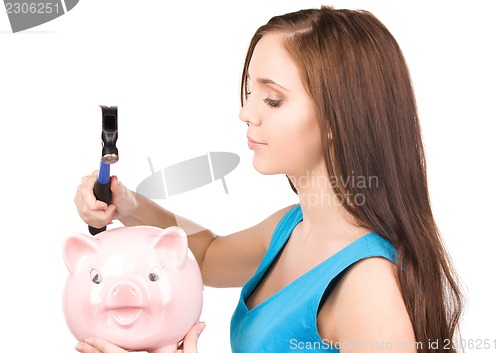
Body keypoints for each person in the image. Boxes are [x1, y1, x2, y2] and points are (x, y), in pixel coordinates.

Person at [73, 6, 463, 353]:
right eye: (249, 92)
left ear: (337, 116)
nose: (246, 113)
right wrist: (128, 205)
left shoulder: (367, 286)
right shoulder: (291, 228)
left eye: (272, 100)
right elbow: (206, 256)